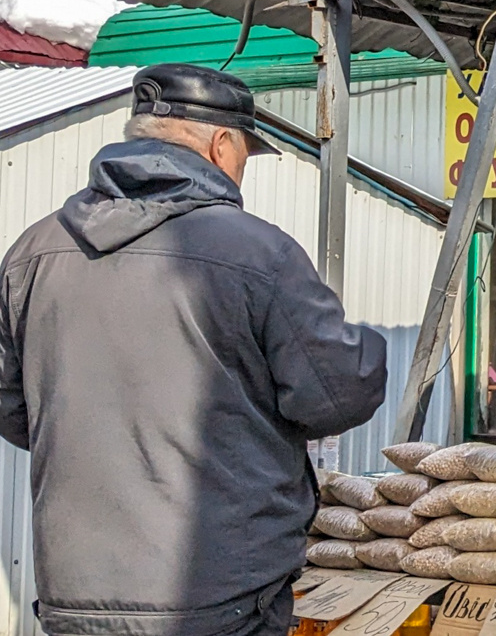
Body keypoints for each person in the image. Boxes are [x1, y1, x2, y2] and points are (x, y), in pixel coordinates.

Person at [0, 63, 388, 636]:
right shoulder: (258, 253)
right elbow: (335, 397)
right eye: (245, 155)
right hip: (217, 592)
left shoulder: (33, 251)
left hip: (75, 596)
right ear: (222, 142)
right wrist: (369, 347)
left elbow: (13, 406)